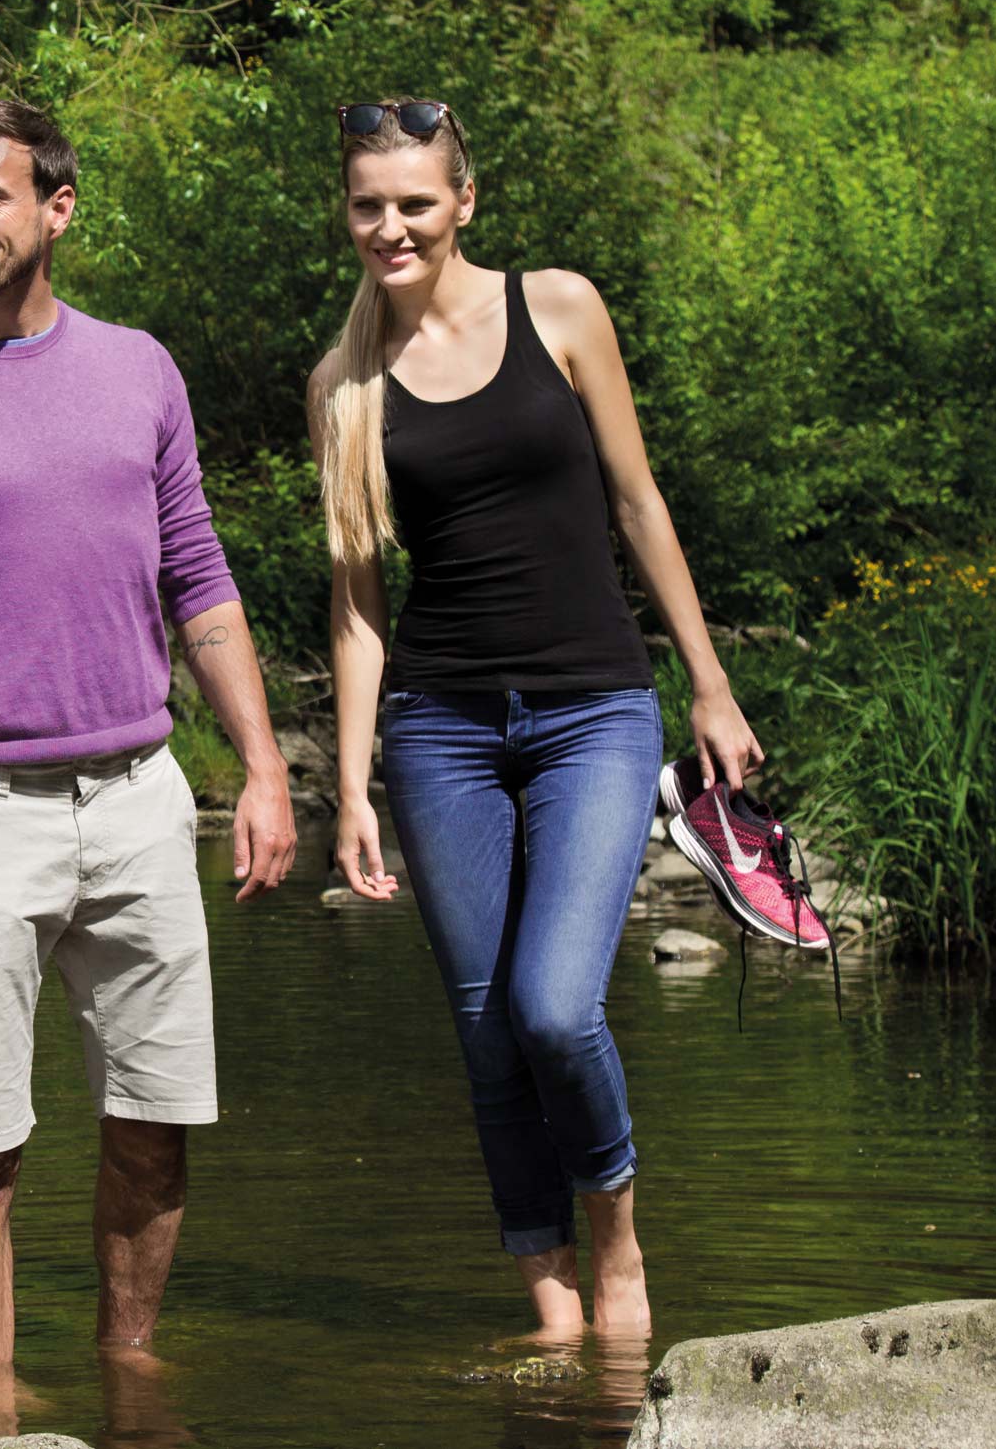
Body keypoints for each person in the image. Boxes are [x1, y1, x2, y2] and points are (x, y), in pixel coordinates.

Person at [0, 97, 298, 1391]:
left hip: (143, 795)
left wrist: (259, 765)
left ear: (55, 210)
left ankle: (129, 1382)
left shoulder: (139, 368)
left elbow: (198, 571)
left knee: (156, 1125)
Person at [311, 98, 762, 1338]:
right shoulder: (343, 385)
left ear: (463, 202)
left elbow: (637, 502)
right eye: (368, 205)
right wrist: (350, 790)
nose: (389, 227)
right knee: (484, 1026)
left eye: (413, 202)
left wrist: (709, 685)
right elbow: (357, 607)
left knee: (555, 1004)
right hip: (438, 729)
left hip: (592, 711)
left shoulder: (558, 308)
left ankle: (612, 1240)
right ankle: (551, 1304)